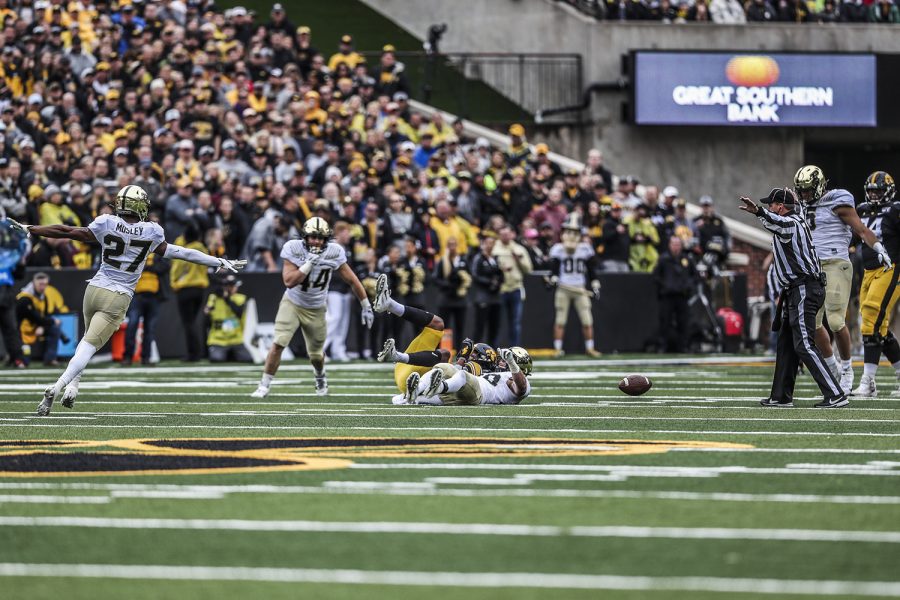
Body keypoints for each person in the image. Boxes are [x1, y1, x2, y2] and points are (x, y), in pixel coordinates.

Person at [6, 185, 245, 415]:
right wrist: (219, 261)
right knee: (89, 345)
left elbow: (69, 232)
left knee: (86, 341)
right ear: (140, 206)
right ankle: (58, 386)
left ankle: (73, 387)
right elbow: (183, 253)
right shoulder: (153, 231)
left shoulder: (105, 222)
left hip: (95, 289)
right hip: (118, 296)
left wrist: (33, 228)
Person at [739, 188, 847, 408]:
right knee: (786, 344)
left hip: (805, 287)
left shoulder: (792, 223)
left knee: (804, 344)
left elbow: (776, 222)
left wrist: (758, 211)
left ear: (780, 207)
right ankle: (781, 396)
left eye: (772, 204)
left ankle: (836, 393)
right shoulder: (794, 221)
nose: (770, 207)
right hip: (797, 289)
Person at [250, 217, 374, 398]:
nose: (316, 241)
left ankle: (320, 376)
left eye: (320, 238)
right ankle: (264, 385)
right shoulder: (293, 248)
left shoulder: (334, 251)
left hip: (316, 307)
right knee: (279, 342)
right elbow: (289, 281)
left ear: (326, 239)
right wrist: (308, 264)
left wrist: (366, 305)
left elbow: (352, 280)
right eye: (312, 237)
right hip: (292, 302)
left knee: (316, 355)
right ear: (304, 237)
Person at [793, 165, 889, 395]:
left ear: (819, 186)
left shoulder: (838, 200)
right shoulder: (802, 205)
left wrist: (878, 247)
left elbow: (862, 229)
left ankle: (847, 369)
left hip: (836, 263)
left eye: (807, 190)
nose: (804, 195)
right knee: (813, 325)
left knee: (835, 320)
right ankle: (833, 368)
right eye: (801, 191)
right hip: (812, 267)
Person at [850, 171, 900, 397]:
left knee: (870, 320)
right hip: (869, 272)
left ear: (888, 191)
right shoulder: (861, 210)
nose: (874, 195)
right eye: (871, 191)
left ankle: (868, 382)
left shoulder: (896, 210)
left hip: (891, 269)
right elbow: (853, 239)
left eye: (878, 191)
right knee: (878, 327)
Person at [373, 272, 452, 394]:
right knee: (437, 324)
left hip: (413, 382)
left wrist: (463, 362)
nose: (473, 356)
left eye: (476, 356)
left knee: (445, 354)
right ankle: (389, 304)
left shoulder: (475, 381)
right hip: (406, 368)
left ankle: (397, 356)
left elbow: (463, 379)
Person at [399, 347, 532, 406]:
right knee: (444, 367)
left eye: (507, 358)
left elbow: (520, 388)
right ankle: (414, 392)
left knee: (462, 375)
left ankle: (438, 387)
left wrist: (511, 363)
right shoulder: (497, 372)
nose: (502, 360)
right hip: (463, 394)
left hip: (479, 394)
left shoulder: (518, 379)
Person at [548, 215, 601, 357]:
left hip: (580, 288)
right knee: (560, 319)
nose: (571, 235)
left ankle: (590, 348)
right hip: (564, 288)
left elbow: (591, 270)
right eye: (569, 231)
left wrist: (595, 286)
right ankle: (558, 349)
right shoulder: (558, 249)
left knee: (587, 319)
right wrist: (552, 279)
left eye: (575, 232)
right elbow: (554, 270)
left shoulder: (585, 248)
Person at [169, 225, 210, 362]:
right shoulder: (202, 248)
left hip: (185, 289)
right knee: (193, 321)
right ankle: (198, 352)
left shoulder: (184, 249)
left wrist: (174, 283)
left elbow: (177, 267)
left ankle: (194, 353)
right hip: (200, 288)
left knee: (188, 323)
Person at [653, 236, 698, 353]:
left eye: (678, 244)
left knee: (683, 322)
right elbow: (656, 276)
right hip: (667, 296)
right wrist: (665, 286)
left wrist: (688, 286)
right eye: (674, 244)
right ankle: (662, 346)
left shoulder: (687, 259)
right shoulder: (663, 259)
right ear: (669, 245)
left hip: (682, 296)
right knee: (665, 322)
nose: (676, 247)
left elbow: (695, 276)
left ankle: (683, 347)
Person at [123, 249, 168, 366]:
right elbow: (127, 268)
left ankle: (146, 357)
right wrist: (148, 267)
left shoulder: (158, 254)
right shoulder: (135, 251)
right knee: (132, 325)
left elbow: (165, 267)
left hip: (154, 296)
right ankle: (128, 356)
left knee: (150, 328)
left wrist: (147, 267)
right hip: (137, 295)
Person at [16, 272, 69, 366]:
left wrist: (42, 327)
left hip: (35, 328)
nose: (43, 287)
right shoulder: (24, 299)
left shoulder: (43, 297)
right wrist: (51, 321)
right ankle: (14, 357)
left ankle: (50, 359)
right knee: (24, 363)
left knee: (55, 329)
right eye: (40, 284)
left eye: (45, 284)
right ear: (33, 283)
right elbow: (35, 317)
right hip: (22, 333)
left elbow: (44, 315)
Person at [492, 224, 532, 347]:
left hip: (516, 288)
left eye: (507, 234)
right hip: (500, 289)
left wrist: (518, 260)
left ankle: (515, 348)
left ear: (512, 234)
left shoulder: (519, 249)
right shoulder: (494, 249)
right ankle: (494, 349)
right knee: (497, 321)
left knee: (515, 322)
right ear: (499, 235)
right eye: (502, 234)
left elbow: (528, 269)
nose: (505, 236)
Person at [432, 236, 471, 351]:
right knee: (442, 327)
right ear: (447, 246)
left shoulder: (463, 260)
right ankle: (441, 351)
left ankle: (460, 351)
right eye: (450, 245)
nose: (452, 247)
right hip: (446, 299)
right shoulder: (442, 261)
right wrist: (446, 285)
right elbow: (435, 278)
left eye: (454, 244)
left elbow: (470, 277)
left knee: (460, 327)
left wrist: (462, 286)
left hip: (460, 299)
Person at [205, 274, 252, 363]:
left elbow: (238, 312)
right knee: (216, 359)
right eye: (230, 286)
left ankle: (231, 354)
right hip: (218, 339)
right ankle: (227, 354)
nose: (234, 288)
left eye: (233, 285)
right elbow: (207, 312)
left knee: (247, 359)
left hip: (236, 339)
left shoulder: (240, 298)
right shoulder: (214, 297)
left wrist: (226, 298)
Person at [470, 234, 503, 348]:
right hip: (483, 297)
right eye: (488, 243)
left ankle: (492, 350)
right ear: (483, 244)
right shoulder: (479, 258)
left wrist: (499, 281)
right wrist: (489, 282)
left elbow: (500, 275)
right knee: (480, 326)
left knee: (494, 326)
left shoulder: (495, 259)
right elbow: (475, 275)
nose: (490, 245)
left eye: (492, 243)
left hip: (495, 297)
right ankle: (476, 350)